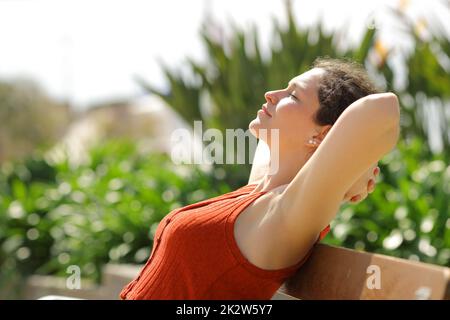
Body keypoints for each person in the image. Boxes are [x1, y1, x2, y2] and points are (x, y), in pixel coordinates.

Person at [120, 57, 400, 300]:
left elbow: (382, 109)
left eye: (292, 95)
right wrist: (351, 172)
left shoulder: (286, 215)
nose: (270, 94)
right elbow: (270, 148)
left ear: (322, 135)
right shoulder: (262, 189)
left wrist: (357, 168)